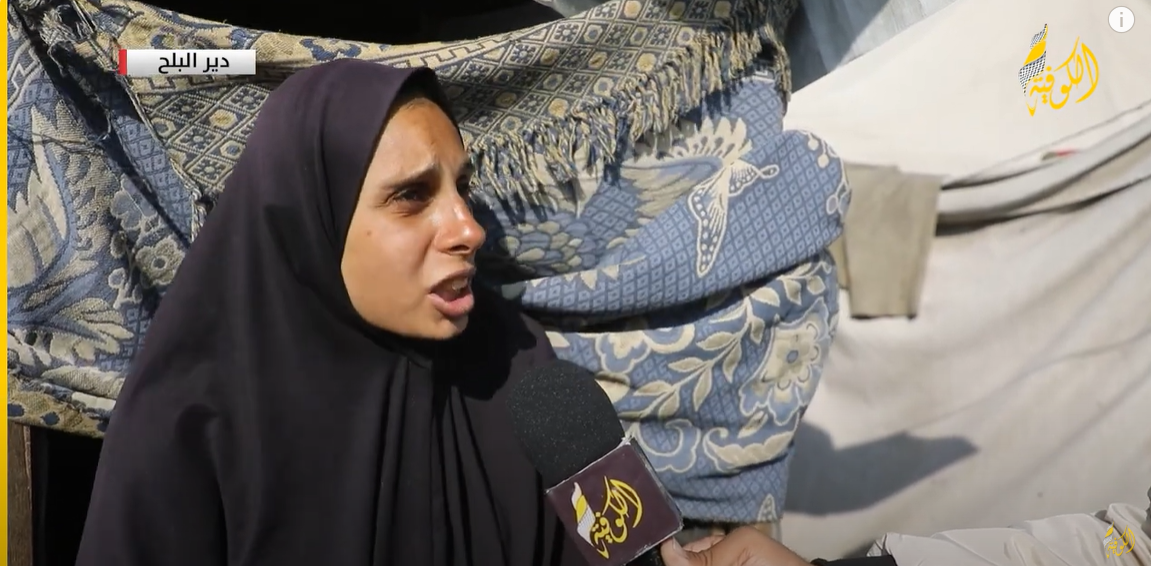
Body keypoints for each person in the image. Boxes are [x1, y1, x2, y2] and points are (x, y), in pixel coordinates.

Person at [75, 59, 585, 566]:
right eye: (411, 195)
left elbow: (614, 535)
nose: (469, 230)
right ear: (315, 220)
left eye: (463, 188)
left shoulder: (524, 370)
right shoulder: (191, 424)